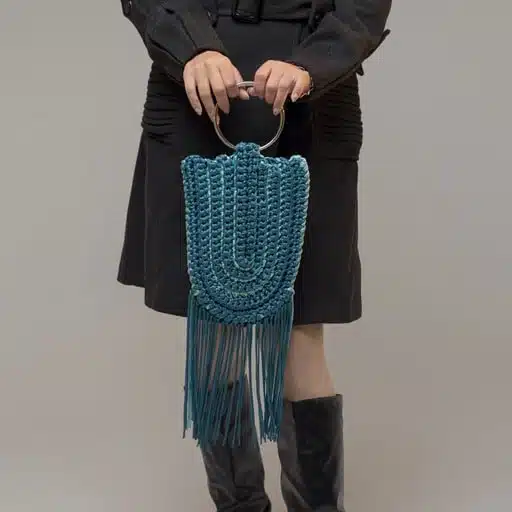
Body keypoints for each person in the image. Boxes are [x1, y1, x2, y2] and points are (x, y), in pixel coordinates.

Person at [117, 0, 392, 510]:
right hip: (197, 92)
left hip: (310, 99)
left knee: (301, 336)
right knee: (213, 333)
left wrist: (314, 62)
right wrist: (192, 47)